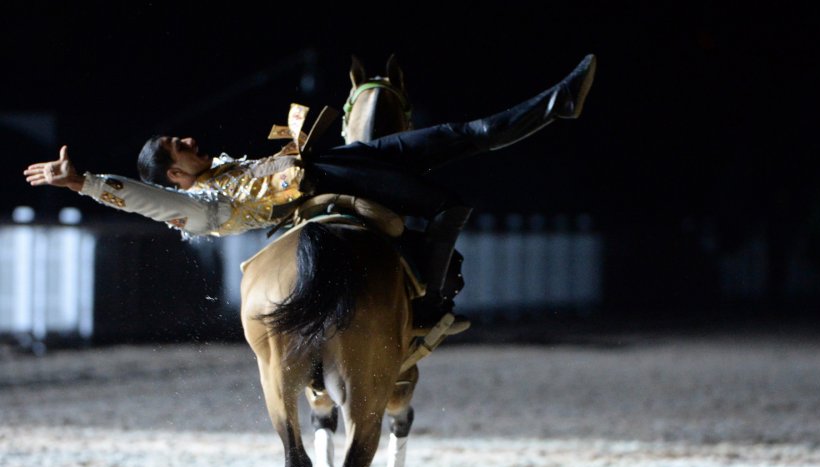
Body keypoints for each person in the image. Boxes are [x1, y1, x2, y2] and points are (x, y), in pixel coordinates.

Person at [24, 54, 596, 328]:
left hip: (337, 161)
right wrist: (84, 182)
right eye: (180, 146)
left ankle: (556, 103)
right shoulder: (194, 207)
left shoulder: (220, 170)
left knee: (457, 135)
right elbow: (145, 199)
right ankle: (426, 304)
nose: (191, 140)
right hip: (333, 179)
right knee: (450, 201)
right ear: (175, 176)